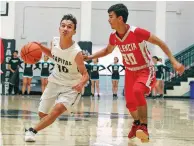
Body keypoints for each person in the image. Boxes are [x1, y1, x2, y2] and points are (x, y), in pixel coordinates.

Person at [84, 3, 185, 143]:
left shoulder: (136, 32)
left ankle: (144, 127)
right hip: (130, 71)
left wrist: (173, 61)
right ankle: (136, 123)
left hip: (145, 69)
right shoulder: (113, 36)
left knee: (138, 91)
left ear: (120, 18)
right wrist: (89, 57)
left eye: (110, 16)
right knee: (130, 103)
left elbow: (160, 43)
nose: (108, 20)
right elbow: (107, 51)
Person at [24, 14, 89, 142]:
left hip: (71, 86)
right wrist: (41, 47)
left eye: (69, 27)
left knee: (57, 110)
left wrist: (81, 84)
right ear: (59, 28)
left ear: (74, 31)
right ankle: (48, 119)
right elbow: (54, 55)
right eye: (63, 25)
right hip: (54, 81)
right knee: (42, 114)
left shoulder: (77, 52)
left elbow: (86, 74)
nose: (65, 28)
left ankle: (31, 131)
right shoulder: (54, 41)